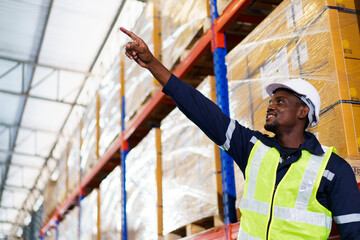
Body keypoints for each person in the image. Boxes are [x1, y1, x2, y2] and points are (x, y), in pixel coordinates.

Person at [120, 27, 360, 239]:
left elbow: (354, 233)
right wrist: (152, 63)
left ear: (302, 111)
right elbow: (199, 109)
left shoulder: (333, 170)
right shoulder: (253, 148)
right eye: (271, 101)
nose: (271, 105)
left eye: (281, 101)